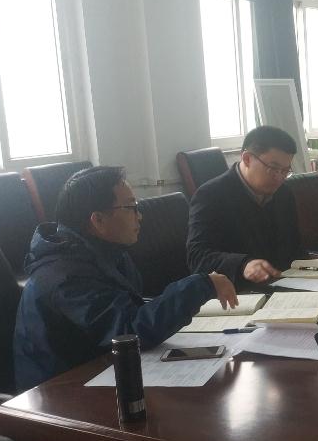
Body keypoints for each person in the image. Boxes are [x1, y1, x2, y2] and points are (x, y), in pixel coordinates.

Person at [14, 166, 237, 392]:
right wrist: (201, 285)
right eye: (131, 207)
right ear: (98, 220)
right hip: (59, 393)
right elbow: (128, 332)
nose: (140, 216)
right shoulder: (63, 275)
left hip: (102, 369)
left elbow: (128, 310)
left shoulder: (106, 252)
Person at [187, 125, 306, 288]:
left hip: (285, 285)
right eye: (273, 168)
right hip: (238, 291)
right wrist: (243, 265)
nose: (279, 178)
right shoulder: (210, 196)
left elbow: (295, 247)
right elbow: (197, 257)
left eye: (285, 171)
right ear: (247, 159)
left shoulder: (284, 193)